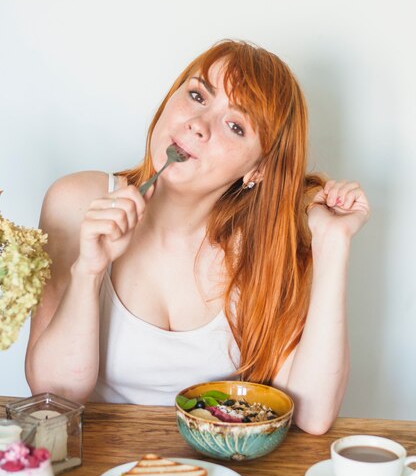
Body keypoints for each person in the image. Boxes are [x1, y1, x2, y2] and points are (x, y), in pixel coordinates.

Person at [25, 40, 370, 434]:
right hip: (98, 473)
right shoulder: (77, 202)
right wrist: (88, 271)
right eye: (196, 95)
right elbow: (52, 396)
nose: (198, 125)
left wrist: (332, 244)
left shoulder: (268, 248)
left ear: (256, 171)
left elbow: (313, 415)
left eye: (235, 126)